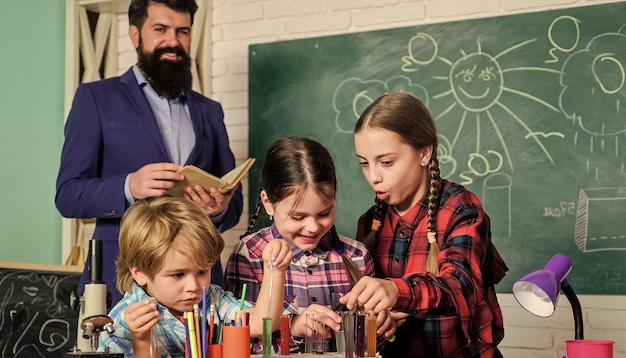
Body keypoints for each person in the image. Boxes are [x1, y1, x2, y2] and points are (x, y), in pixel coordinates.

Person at [55, 0, 242, 305]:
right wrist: (128, 186)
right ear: (134, 35)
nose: (173, 41)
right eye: (160, 29)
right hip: (120, 282)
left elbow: (234, 201)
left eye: (182, 31)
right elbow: (67, 195)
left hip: (199, 286)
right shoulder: (95, 98)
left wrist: (218, 208)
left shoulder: (210, 111)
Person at [339, 92, 509, 358]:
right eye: (364, 163)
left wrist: (395, 290)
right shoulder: (369, 223)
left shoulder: (460, 208)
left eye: (386, 162)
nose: (373, 176)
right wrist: (380, 321)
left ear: (424, 152)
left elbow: (462, 286)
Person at [224, 136, 393, 354]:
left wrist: (378, 327)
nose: (313, 227)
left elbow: (369, 347)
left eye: (324, 213)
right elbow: (239, 340)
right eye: (297, 217)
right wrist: (292, 328)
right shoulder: (250, 255)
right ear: (268, 203)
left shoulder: (357, 256)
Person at [98, 196, 291, 356]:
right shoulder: (122, 322)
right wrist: (141, 339)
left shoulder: (213, 299)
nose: (193, 286)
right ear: (139, 273)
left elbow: (261, 322)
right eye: (178, 274)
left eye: (201, 271)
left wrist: (275, 269)